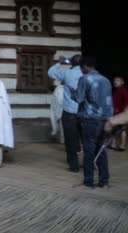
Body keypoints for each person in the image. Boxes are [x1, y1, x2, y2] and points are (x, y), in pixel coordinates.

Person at [72, 57, 113, 189]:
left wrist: (72, 92)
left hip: (89, 119)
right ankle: (104, 181)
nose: (81, 70)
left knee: (89, 150)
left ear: (84, 66)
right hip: (104, 119)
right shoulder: (106, 80)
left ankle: (88, 181)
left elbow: (79, 98)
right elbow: (108, 101)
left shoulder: (85, 79)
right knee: (101, 150)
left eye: (81, 68)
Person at [48, 55, 84, 172]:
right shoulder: (87, 74)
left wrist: (60, 62)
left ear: (71, 63)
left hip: (70, 112)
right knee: (87, 139)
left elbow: (51, 72)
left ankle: (74, 166)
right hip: (85, 112)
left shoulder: (67, 73)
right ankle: (89, 163)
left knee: (70, 139)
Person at [111, 76, 128, 151]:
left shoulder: (123, 90)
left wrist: (125, 112)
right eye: (114, 80)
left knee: (122, 129)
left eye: (117, 80)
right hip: (116, 113)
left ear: (122, 82)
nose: (115, 82)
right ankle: (113, 144)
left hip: (121, 114)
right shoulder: (116, 91)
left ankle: (122, 146)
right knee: (115, 129)